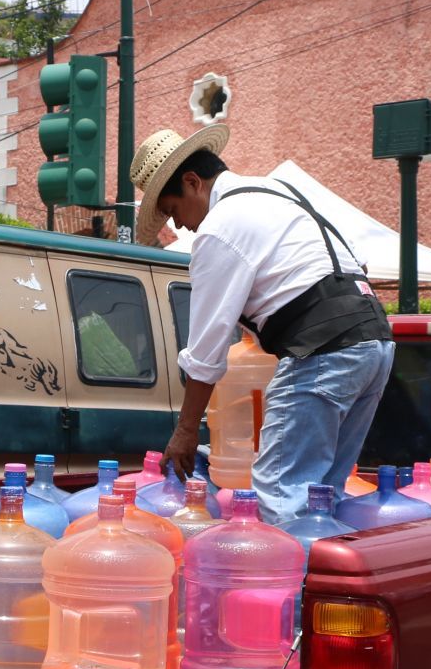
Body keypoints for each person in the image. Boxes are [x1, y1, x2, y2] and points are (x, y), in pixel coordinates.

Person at [133, 126, 396, 524]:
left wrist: (186, 431)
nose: (179, 226)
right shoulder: (278, 193)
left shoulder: (220, 227)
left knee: (281, 494)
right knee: (322, 496)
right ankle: (324, 582)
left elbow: (206, 352)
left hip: (322, 348)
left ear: (192, 182)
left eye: (172, 210)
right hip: (373, 340)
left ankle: (293, 586)